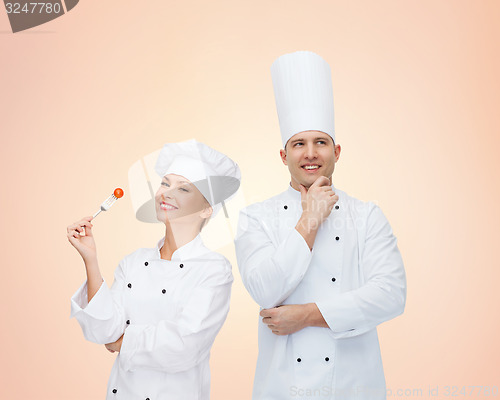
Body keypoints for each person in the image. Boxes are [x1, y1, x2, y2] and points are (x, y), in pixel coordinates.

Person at [235, 51, 407, 400]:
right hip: (282, 388)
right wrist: (310, 219)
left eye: (320, 142)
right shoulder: (256, 217)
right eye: (299, 143)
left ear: (337, 151)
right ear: (284, 156)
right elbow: (264, 291)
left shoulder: (367, 215)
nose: (310, 153)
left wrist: (308, 315)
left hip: (354, 385)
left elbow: (391, 295)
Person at [68, 139, 240, 400]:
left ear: (207, 209)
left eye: (184, 189)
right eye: (165, 183)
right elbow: (101, 330)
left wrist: (122, 342)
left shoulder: (214, 270)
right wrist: (90, 259)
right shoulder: (134, 262)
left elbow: (184, 345)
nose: (166, 193)